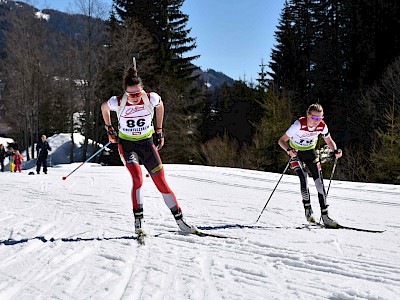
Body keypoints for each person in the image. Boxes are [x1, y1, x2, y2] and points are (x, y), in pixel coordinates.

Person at [101, 67, 197, 235]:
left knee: (161, 182)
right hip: (127, 145)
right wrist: (109, 128)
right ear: (126, 93)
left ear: (142, 90)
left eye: (138, 93)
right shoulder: (118, 101)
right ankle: (139, 221)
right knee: (137, 178)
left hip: (147, 144)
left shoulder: (150, 98)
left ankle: (181, 221)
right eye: (131, 95)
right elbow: (104, 108)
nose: (135, 98)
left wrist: (159, 130)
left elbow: (160, 106)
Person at [278, 103, 343, 228]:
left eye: (320, 118)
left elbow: (329, 140)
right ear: (308, 115)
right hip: (296, 153)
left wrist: (335, 150)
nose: (317, 121)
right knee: (303, 177)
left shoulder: (322, 126)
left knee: (319, 182)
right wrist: (288, 150)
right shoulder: (299, 124)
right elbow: (281, 141)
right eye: (314, 118)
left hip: (310, 153)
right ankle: (308, 210)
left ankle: (325, 216)